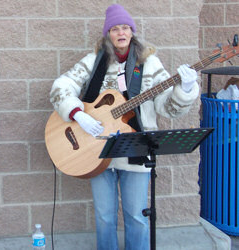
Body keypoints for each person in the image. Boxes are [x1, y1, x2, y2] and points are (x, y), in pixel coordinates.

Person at [49, 4, 199, 250]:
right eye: (115, 28)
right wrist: (77, 113)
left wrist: (185, 90)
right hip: (96, 150)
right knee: (105, 218)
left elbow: (167, 108)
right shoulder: (92, 61)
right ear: (108, 34)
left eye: (126, 28)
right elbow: (60, 86)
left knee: (137, 217)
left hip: (136, 150)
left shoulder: (149, 63)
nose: (121, 32)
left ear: (132, 32)